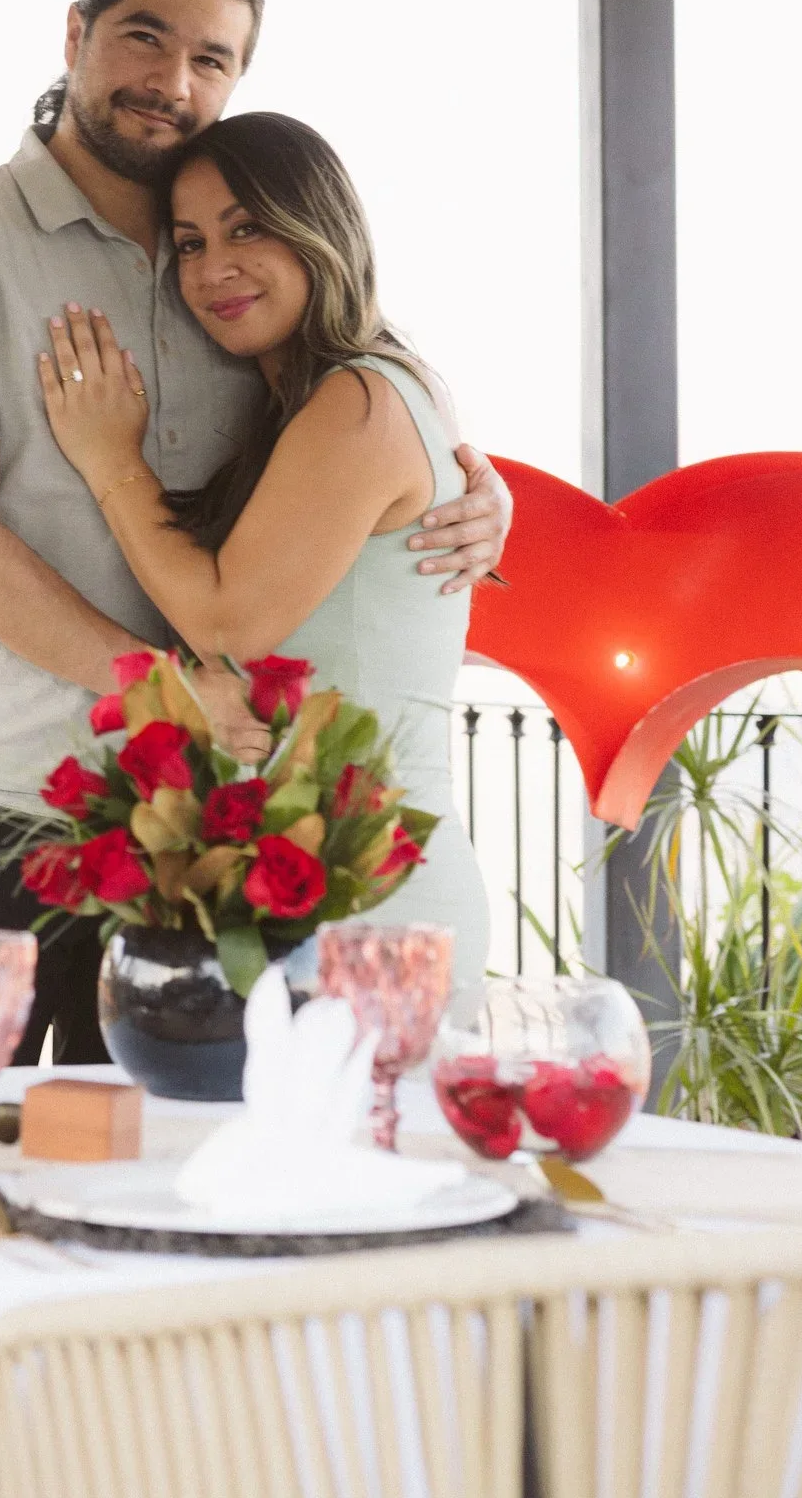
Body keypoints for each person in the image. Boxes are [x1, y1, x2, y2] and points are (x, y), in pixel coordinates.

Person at [0, 0, 509, 1069]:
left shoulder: (237, 271)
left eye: (211, 58)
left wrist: (483, 489)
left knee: (162, 1150)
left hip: (200, 834)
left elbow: (374, 420)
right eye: (144, 38)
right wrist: (166, 688)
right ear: (76, 33)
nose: (172, 82)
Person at [35, 109, 491, 990]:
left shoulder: (359, 401)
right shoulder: (332, 401)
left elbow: (226, 624)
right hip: (311, 888)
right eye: (191, 243)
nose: (213, 270)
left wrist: (109, 459)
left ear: (319, 227)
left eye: (246, 229)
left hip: (374, 904)